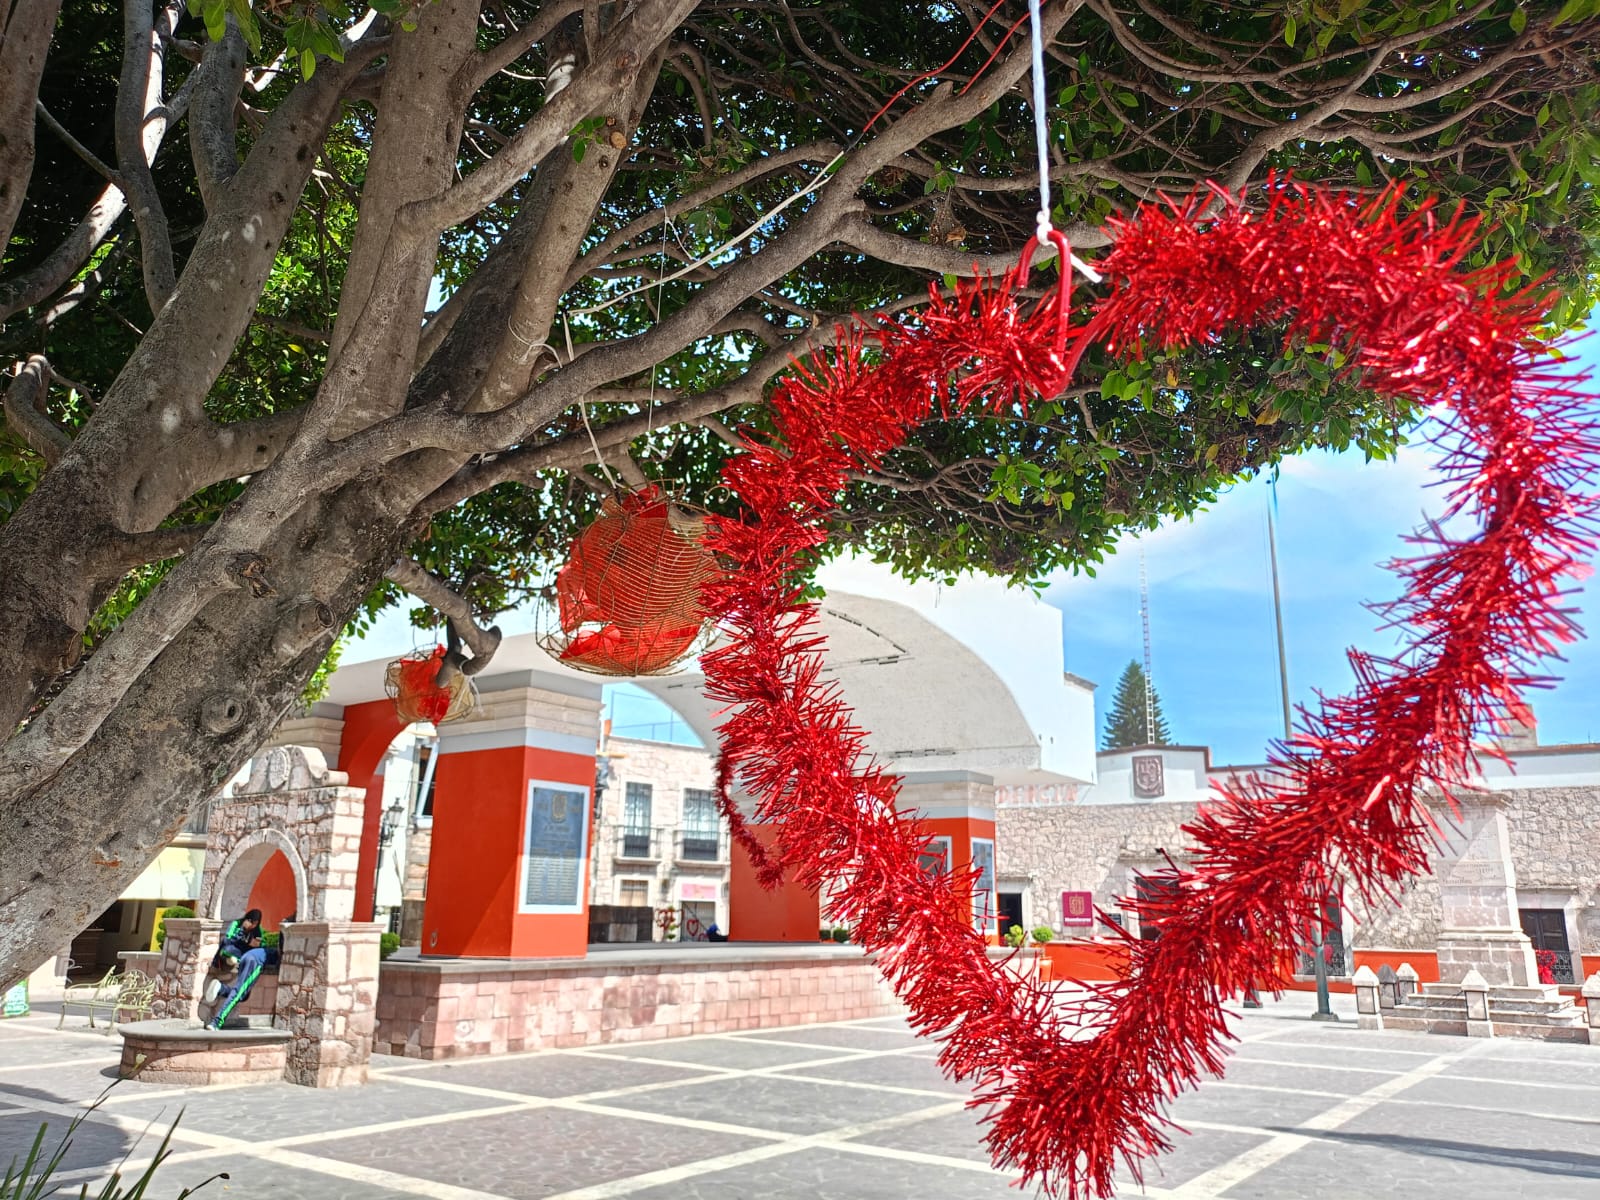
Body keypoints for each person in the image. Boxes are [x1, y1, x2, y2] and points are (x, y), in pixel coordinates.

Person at [203, 909, 268, 1030]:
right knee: (239, 991)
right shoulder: (236, 924)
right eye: (252, 922)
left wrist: (257, 944)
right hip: (231, 951)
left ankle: (221, 988)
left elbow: (263, 943)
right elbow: (227, 940)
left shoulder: (257, 930)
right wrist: (242, 931)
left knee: (245, 995)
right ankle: (217, 1021)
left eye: (255, 923)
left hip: (245, 956)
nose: (253, 926)